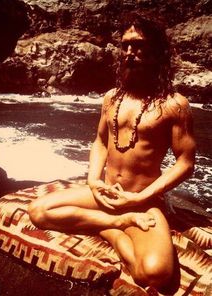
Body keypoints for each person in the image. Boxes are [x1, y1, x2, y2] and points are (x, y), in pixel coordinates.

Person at [28, 15, 196, 290]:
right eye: (125, 45)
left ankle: (109, 226)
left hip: (142, 200)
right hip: (105, 191)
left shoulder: (175, 105)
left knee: (156, 275)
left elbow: (185, 163)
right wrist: (94, 181)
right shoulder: (112, 98)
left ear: (157, 52)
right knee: (39, 210)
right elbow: (101, 142)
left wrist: (141, 196)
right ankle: (115, 227)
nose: (130, 52)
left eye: (138, 45)